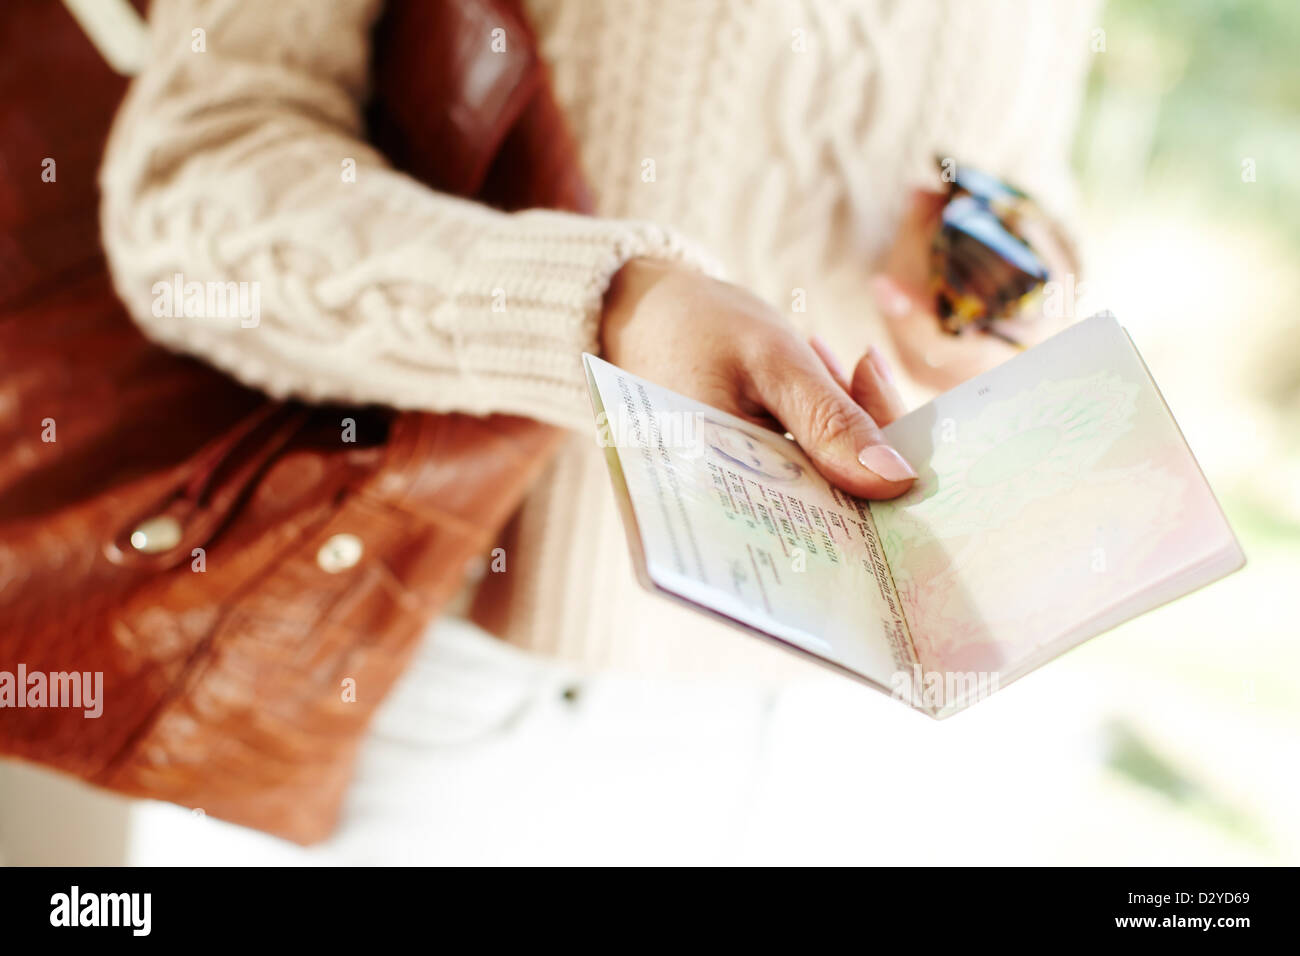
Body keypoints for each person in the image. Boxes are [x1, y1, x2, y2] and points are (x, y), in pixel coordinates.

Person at [101, 0, 1095, 863]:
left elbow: (1024, 172)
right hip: (475, 706)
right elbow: (191, 192)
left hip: (859, 743)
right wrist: (605, 313)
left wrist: (1004, 293)